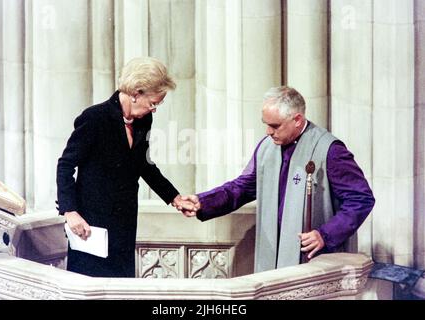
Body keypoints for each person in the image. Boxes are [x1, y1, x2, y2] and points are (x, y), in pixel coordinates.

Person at [177, 86, 375, 273]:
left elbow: (361, 199)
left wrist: (325, 235)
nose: (268, 132)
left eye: (275, 126)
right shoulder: (266, 147)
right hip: (272, 258)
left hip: (311, 260)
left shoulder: (330, 150)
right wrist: (203, 201)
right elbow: (243, 187)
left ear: (297, 119)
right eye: (266, 125)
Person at [56, 57, 194, 277]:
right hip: (91, 227)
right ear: (136, 93)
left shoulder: (143, 121)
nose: (154, 110)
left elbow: (144, 165)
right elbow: (65, 166)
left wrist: (175, 198)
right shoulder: (94, 118)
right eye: (153, 103)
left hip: (124, 225)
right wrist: (70, 211)